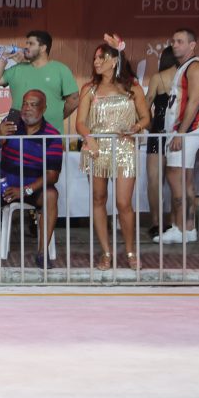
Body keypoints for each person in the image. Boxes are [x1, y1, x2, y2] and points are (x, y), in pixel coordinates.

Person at [76, 36, 150, 270]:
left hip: (125, 147)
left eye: (102, 57)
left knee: (123, 203)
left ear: (114, 60)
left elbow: (146, 117)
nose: (97, 61)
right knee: (98, 199)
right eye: (95, 58)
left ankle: (130, 252)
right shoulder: (89, 89)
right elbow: (80, 122)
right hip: (96, 149)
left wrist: (136, 128)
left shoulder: (132, 87)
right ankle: (106, 253)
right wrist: (89, 139)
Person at [0, 90, 63, 268]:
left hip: (33, 188)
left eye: (33, 105)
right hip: (6, 184)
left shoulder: (52, 135)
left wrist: (24, 190)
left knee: (51, 196)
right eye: (25, 103)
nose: (27, 108)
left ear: (44, 108)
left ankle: (42, 254)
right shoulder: (11, 124)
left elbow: (52, 175)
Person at [154, 28, 199, 244]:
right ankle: (187, 228)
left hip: (186, 131)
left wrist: (181, 132)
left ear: (192, 45)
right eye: (173, 41)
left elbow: (194, 101)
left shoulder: (195, 67)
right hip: (179, 130)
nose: (174, 44)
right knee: (182, 180)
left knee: (177, 178)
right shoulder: (184, 67)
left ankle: (182, 228)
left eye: (180, 41)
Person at [0, 30, 80, 134]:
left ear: (43, 48)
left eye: (31, 44)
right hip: (19, 136)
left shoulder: (60, 69)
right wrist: (4, 57)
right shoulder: (17, 69)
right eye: (26, 43)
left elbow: (74, 100)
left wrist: (56, 116)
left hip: (50, 137)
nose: (26, 46)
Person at [143, 45, 179, 239]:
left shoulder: (158, 78)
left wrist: (149, 125)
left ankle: (157, 223)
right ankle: (174, 223)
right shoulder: (186, 75)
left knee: (154, 181)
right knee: (176, 182)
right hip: (176, 134)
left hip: (158, 133)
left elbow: (146, 105)